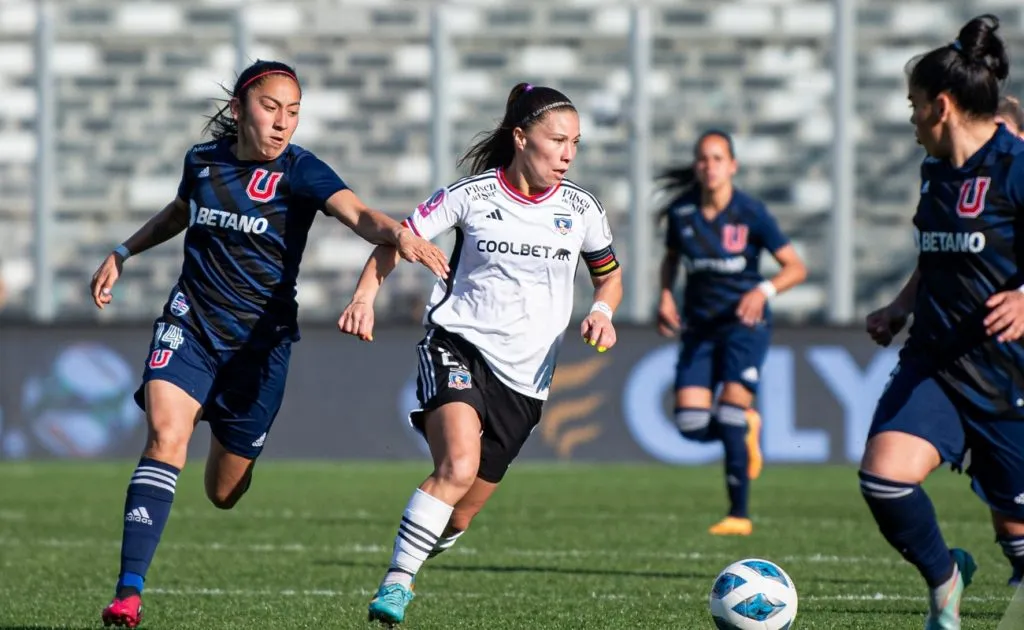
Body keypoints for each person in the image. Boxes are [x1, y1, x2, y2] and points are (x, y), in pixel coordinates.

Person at [90, 59, 448, 629]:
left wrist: (397, 234)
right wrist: (123, 252)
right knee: (165, 435)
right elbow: (182, 211)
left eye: (294, 112)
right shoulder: (202, 161)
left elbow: (358, 213)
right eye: (271, 107)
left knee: (223, 492)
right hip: (192, 324)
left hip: (261, 345)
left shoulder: (301, 171)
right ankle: (128, 593)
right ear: (239, 109)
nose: (283, 123)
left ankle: (228, 436)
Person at [338, 82, 623, 626]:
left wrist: (602, 313)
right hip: (459, 345)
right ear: (520, 137)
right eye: (557, 139)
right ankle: (397, 585)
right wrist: (364, 297)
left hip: (527, 380)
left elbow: (608, 279)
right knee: (458, 465)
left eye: (576, 143)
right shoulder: (471, 195)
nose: (568, 154)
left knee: (460, 515)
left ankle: (420, 544)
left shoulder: (582, 210)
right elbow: (400, 240)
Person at [861, 14, 1024, 629]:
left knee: (1019, 534)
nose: (910, 118)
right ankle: (945, 580)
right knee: (884, 479)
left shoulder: (1016, 166)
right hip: (936, 359)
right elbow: (938, 255)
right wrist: (902, 305)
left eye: (914, 104)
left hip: (1008, 375)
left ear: (944, 106)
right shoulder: (936, 173)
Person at [655, 130, 806, 537]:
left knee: (729, 412)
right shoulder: (682, 213)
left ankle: (738, 514)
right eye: (703, 159)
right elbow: (671, 260)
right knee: (690, 424)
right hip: (699, 328)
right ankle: (746, 427)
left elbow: (795, 267)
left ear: (733, 166)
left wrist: (764, 289)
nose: (710, 166)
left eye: (718, 158)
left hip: (744, 327)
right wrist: (666, 295)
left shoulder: (750, 212)